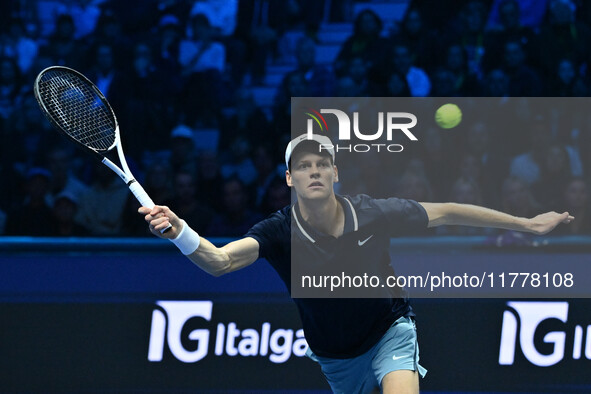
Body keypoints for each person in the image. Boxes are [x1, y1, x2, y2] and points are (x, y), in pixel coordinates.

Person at [139, 134, 573, 394]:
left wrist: (527, 224)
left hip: (389, 331)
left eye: (321, 164)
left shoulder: (374, 212)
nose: (313, 171)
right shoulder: (277, 231)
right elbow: (218, 262)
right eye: (302, 166)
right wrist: (179, 230)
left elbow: (448, 210)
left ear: (334, 174)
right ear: (289, 179)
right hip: (337, 359)